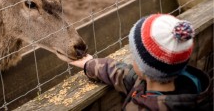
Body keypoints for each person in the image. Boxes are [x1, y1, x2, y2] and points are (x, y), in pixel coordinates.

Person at [70, 14, 212, 110]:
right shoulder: (193, 84)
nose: (132, 61)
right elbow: (124, 73)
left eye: (135, 57)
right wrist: (90, 64)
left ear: (145, 69)